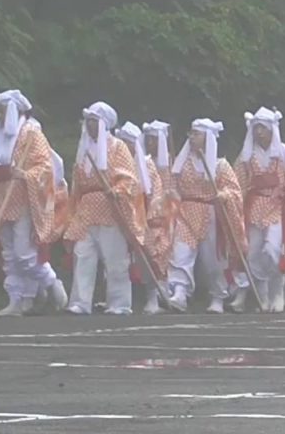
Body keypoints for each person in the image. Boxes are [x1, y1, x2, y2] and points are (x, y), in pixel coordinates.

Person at [0, 90, 66, 316]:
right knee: (9, 254)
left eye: (2, 111)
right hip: (3, 199)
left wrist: (24, 175)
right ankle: (16, 300)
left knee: (23, 253)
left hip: (23, 200)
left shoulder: (32, 133)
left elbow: (45, 167)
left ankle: (51, 282)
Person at [63, 102, 145, 315]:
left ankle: (119, 303)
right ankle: (80, 302)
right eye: (87, 121)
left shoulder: (117, 147)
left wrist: (117, 190)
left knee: (115, 257)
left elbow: (129, 177)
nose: (89, 125)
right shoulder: (84, 149)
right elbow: (77, 183)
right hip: (87, 209)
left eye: (93, 121)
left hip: (111, 208)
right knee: (83, 255)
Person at [166, 119, 246, 314]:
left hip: (211, 214)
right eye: (191, 133)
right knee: (180, 252)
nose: (192, 137)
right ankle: (180, 291)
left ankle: (218, 296)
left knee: (213, 260)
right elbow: (172, 185)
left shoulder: (220, 165)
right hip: (186, 212)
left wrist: (224, 195)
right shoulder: (181, 163)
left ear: (207, 138)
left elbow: (234, 190)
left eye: (197, 134)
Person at [234, 108, 285, 313]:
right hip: (254, 207)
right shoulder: (246, 156)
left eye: (263, 129)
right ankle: (262, 298)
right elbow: (238, 181)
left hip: (275, 207)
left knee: (273, 250)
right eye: (256, 129)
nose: (259, 133)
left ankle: (278, 292)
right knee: (254, 252)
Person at [117, 122, 170, 314]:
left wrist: (151, 217)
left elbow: (156, 193)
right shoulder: (115, 163)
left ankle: (152, 298)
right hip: (120, 216)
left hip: (144, 218)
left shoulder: (146, 164)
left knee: (149, 257)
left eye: (126, 142)